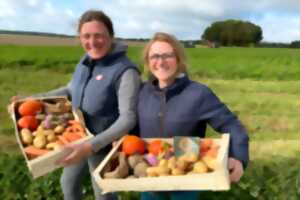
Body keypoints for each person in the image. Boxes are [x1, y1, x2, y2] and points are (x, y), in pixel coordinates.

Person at [8, 10, 141, 200]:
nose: (92, 42)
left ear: (111, 36)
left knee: (103, 194)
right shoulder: (85, 62)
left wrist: (91, 146)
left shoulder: (125, 71)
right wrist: (31, 99)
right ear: (80, 38)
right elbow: (70, 90)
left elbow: (128, 118)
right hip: (77, 137)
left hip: (104, 144)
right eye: (86, 36)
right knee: (68, 184)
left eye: (99, 36)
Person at [136, 32, 249, 200]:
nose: (160, 61)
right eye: (155, 56)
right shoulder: (142, 92)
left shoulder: (198, 93)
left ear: (178, 59)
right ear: (147, 61)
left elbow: (231, 125)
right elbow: (132, 126)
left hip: (187, 179)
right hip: (150, 177)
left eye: (167, 55)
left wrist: (237, 157)